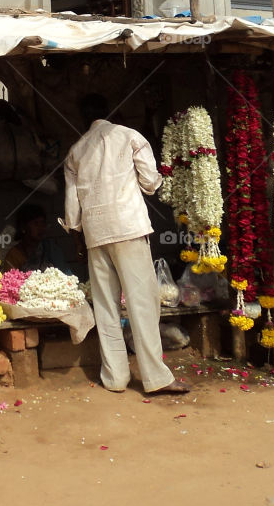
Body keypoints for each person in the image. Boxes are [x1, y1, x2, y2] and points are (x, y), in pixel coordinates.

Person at [63, 94, 188, 396]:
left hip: (96, 235)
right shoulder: (130, 136)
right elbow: (150, 182)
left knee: (106, 307)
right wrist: (155, 180)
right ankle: (155, 377)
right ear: (112, 113)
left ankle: (115, 378)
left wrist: (78, 233)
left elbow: (71, 212)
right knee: (142, 304)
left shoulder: (75, 151)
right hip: (129, 228)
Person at [2, 204, 68, 272]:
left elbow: (64, 273)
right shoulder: (14, 255)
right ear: (23, 227)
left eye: (43, 223)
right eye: (36, 223)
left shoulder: (50, 249)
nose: (41, 228)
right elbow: (10, 279)